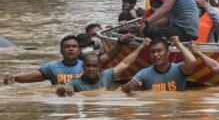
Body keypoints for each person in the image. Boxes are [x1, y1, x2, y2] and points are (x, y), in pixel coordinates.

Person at [3, 34, 133, 85]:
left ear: (79, 50)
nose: (71, 49)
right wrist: (13, 77)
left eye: (74, 47)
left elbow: (109, 56)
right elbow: (30, 77)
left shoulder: (89, 64)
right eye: (67, 47)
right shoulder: (52, 67)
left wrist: (120, 43)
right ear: (61, 51)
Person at [56, 38, 152, 96]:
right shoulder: (75, 83)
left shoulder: (107, 75)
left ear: (100, 68)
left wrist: (141, 46)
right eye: (88, 66)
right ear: (83, 67)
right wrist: (64, 90)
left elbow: (125, 63)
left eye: (94, 66)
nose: (91, 69)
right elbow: (61, 90)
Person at [121, 36, 196, 92]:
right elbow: (122, 90)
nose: (156, 54)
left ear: (167, 52)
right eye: (152, 52)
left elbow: (192, 61)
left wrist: (178, 44)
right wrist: (128, 87)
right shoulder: (144, 73)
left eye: (159, 51)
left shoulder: (179, 69)